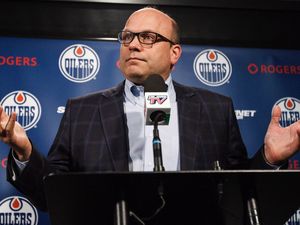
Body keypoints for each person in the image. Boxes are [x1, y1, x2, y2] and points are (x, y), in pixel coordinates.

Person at [0, 7, 299, 212]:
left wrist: (269, 159)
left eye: (148, 38)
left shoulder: (215, 110)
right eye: (127, 37)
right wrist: (25, 153)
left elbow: (239, 196)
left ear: (174, 53)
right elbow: (53, 196)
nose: (133, 45)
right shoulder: (83, 111)